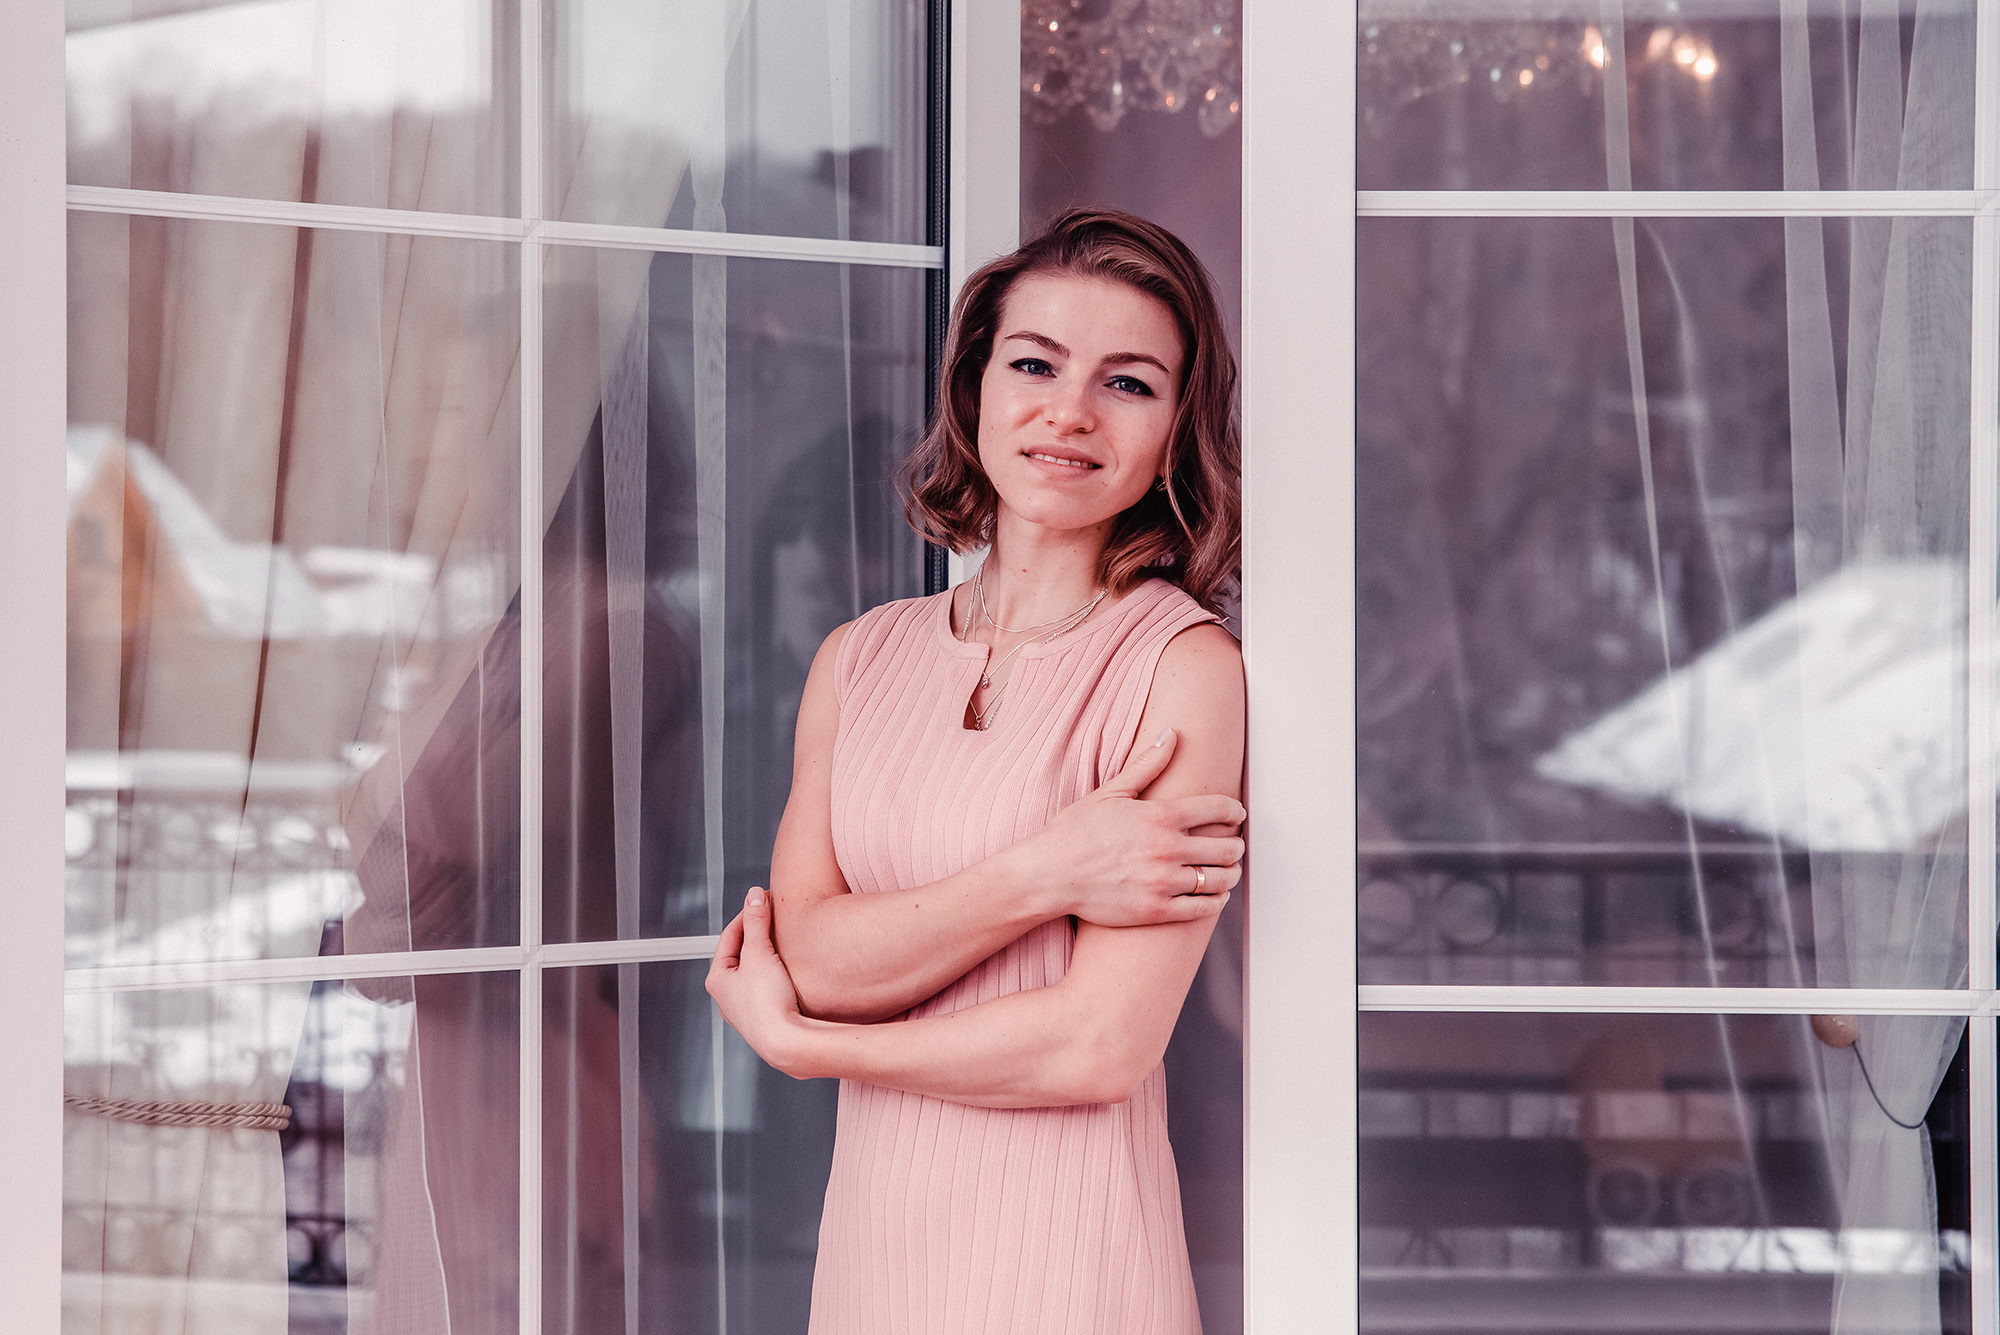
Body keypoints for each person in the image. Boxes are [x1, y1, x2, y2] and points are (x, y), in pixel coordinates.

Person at [706, 207, 1246, 1333]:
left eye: (1128, 383)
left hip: (1071, 1258)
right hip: (875, 1250)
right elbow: (813, 955)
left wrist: (811, 1049)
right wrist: (1044, 873)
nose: (1069, 411)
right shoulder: (859, 657)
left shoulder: (1182, 667)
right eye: (1035, 363)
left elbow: (1096, 1046)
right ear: (974, 390)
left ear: (1172, 430)